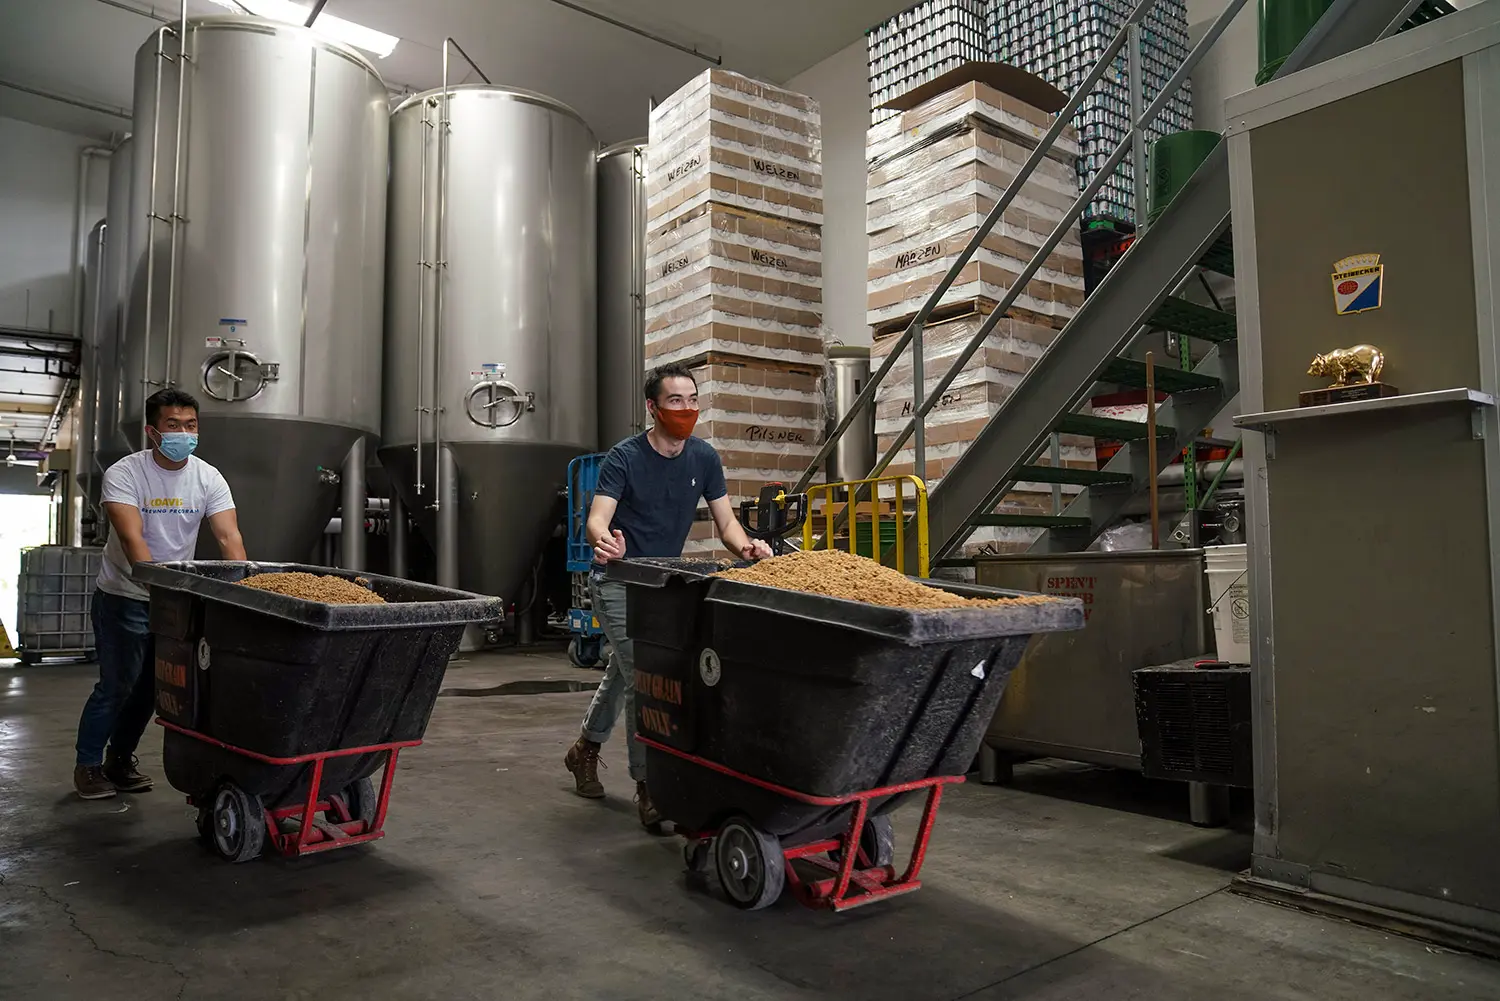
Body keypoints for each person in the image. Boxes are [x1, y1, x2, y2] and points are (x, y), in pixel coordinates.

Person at [565, 364, 773, 828]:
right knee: (647, 677)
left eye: (692, 399)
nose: (686, 409)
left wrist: (746, 546)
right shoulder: (625, 457)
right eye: (675, 400)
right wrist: (605, 541)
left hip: (664, 584)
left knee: (626, 670)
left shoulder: (703, 457)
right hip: (618, 579)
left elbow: (727, 522)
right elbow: (598, 517)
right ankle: (650, 784)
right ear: (652, 408)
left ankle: (585, 749)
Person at [72, 388, 246, 800]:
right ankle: (88, 765)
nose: (183, 433)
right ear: (152, 431)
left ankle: (120, 759)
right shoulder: (125, 475)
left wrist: (244, 592)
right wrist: (162, 589)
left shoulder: (208, 477)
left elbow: (229, 536)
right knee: (117, 684)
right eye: (173, 426)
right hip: (124, 596)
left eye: (190, 426)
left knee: (152, 687)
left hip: (174, 601)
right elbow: (134, 544)